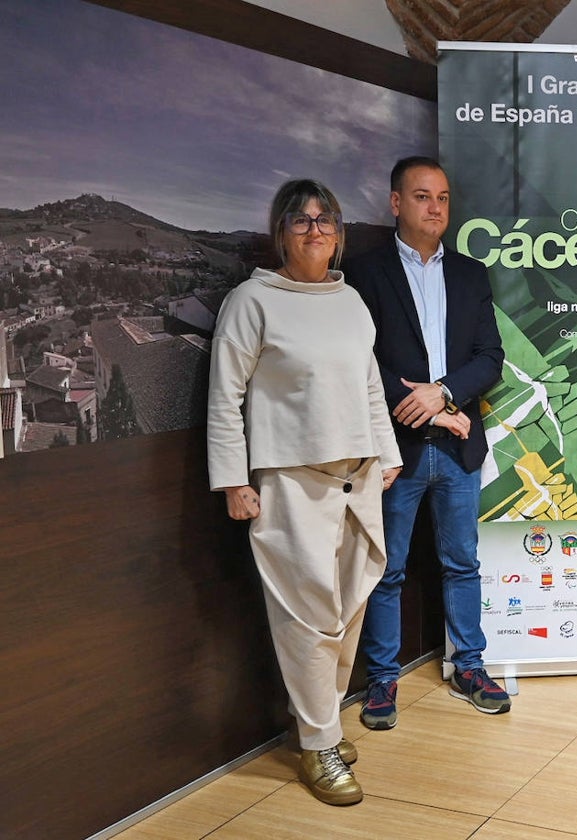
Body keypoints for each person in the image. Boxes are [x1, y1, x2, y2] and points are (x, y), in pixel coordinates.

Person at [207, 179, 403, 805]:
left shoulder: (350, 301)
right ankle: (319, 743)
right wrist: (234, 479)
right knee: (307, 618)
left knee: (348, 611)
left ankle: (321, 721)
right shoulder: (252, 300)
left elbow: (370, 385)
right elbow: (225, 397)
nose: (315, 229)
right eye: (301, 220)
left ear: (339, 232)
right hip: (291, 482)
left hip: (360, 475)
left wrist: (388, 452)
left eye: (326, 219)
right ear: (281, 231)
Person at [345, 156, 508, 724]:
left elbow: (492, 359)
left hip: (459, 446)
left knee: (462, 562)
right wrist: (425, 408)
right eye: (421, 197)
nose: (434, 208)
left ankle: (470, 666)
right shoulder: (364, 273)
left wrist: (442, 394)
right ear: (396, 204)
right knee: (385, 568)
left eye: (441, 198)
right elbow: (357, 362)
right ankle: (383, 680)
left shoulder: (469, 273)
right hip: (395, 450)